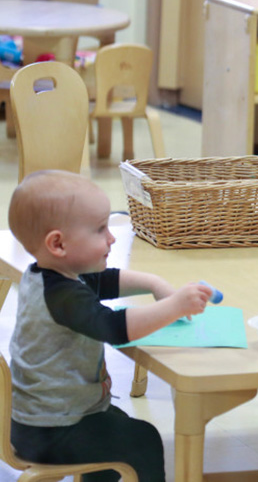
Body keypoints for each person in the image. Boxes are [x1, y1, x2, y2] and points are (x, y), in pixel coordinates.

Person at [7, 170, 215, 482]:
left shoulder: (49, 276)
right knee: (141, 440)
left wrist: (155, 284)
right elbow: (115, 328)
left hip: (46, 421)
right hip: (51, 431)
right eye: (100, 229)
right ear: (58, 244)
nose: (112, 238)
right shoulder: (62, 296)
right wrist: (174, 306)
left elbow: (104, 280)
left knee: (117, 430)